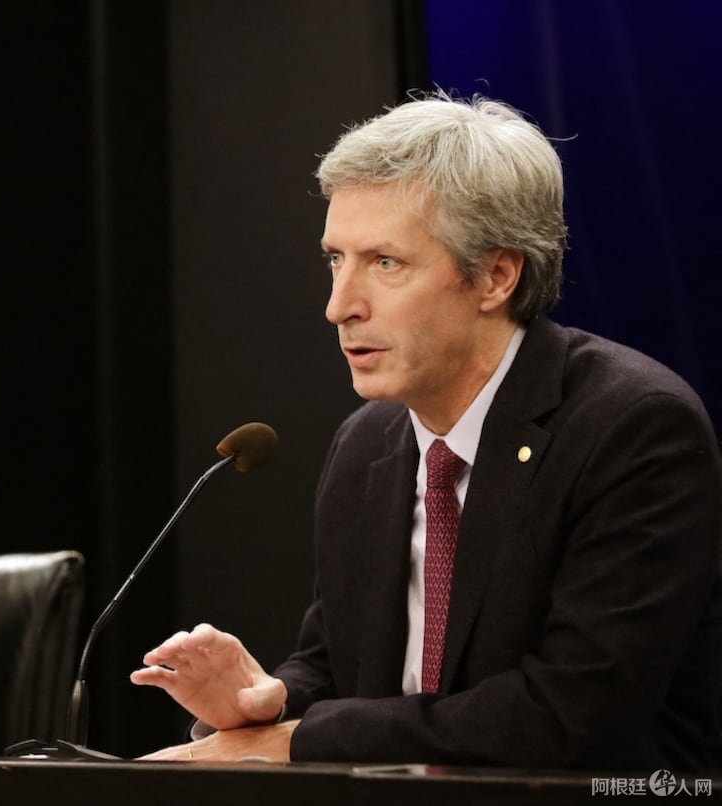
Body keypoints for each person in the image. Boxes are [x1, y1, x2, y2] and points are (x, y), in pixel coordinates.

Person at [132, 93, 722, 770]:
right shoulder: (368, 446)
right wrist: (268, 698)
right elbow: (340, 671)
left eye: (386, 263)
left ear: (496, 276)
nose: (339, 306)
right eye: (335, 259)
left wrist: (294, 739)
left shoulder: (632, 428)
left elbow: (571, 715)